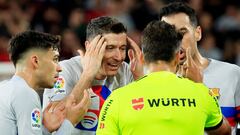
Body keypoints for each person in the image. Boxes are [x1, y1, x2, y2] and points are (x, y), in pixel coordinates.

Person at [96, 20, 231, 135]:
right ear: (178, 57)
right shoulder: (201, 93)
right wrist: (200, 85)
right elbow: (225, 131)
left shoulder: (117, 99)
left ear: (142, 57)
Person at [43, 16, 143, 134]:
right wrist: (88, 75)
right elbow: (55, 123)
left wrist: (140, 79)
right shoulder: (64, 70)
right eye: (110, 48)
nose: (119, 57)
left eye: (122, 48)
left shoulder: (126, 70)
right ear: (89, 46)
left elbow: (143, 119)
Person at [158, 2, 240, 135]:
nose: (175, 41)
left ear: (198, 33)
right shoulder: (157, 82)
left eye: (182, 33)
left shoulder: (232, 74)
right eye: (168, 34)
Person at [0, 31, 90, 135]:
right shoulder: (26, 94)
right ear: (36, 61)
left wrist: (45, 129)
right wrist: (70, 122)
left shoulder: (4, 88)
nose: (59, 68)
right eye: (55, 59)